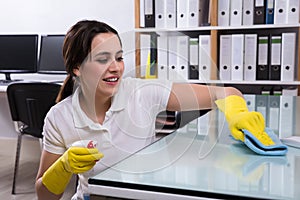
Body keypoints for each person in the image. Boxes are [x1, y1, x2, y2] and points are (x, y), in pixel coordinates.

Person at [35, 20, 271, 200]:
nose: (115, 67)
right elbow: (45, 196)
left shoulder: (143, 92)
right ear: (77, 67)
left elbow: (226, 92)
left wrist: (238, 114)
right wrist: (63, 167)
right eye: (102, 59)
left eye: (118, 58)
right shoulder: (59, 117)